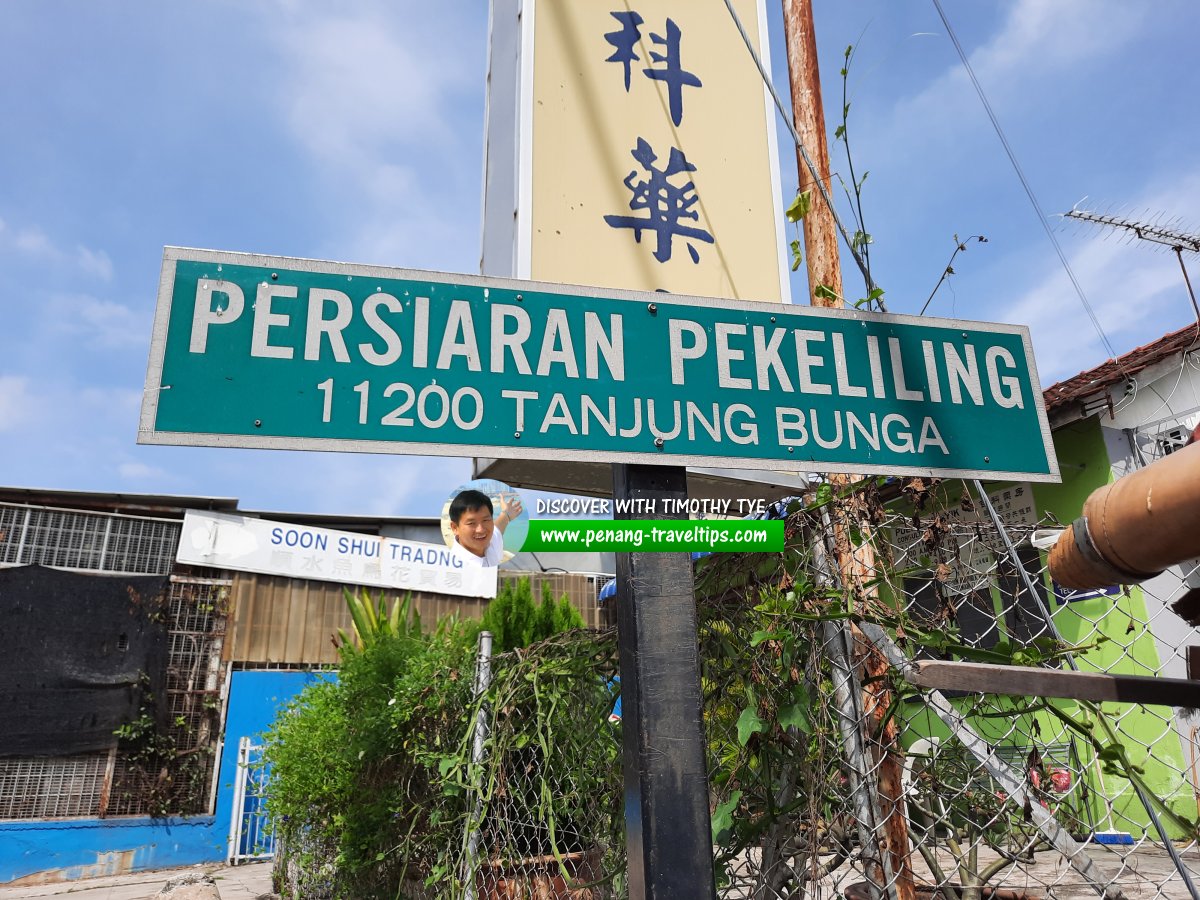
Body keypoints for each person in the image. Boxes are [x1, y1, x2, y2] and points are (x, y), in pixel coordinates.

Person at [448, 489, 523, 567]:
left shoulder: (491, 543)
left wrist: (506, 513)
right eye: (471, 523)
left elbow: (499, 527)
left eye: (486, 520)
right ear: (455, 528)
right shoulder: (452, 565)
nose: (480, 530)